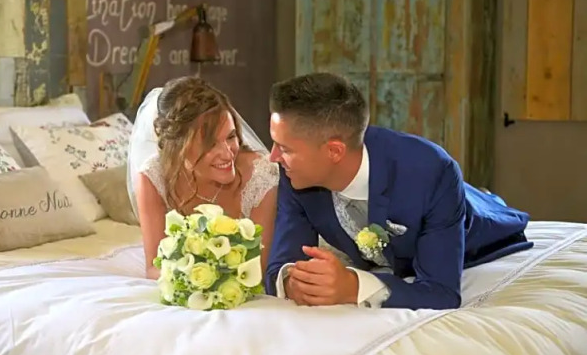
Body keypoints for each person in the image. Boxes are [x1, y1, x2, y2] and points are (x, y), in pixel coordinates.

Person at [265, 72, 532, 310]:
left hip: (474, 226)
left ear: (334, 151)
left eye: (284, 148)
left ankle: (485, 198)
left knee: (481, 206)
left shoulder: (431, 171)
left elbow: (442, 293)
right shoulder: (295, 174)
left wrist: (353, 287)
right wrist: (292, 282)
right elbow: (281, 264)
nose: (272, 157)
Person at [127, 76, 279, 279]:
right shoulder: (153, 177)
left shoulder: (261, 176)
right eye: (210, 144)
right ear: (178, 145)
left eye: (230, 137)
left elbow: (259, 269)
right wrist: (194, 281)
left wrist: (215, 284)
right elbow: (155, 267)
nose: (227, 154)